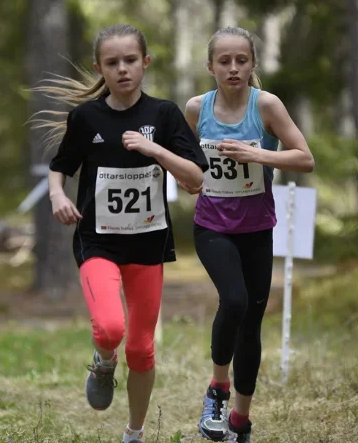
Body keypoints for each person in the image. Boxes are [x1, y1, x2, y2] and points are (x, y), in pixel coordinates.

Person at [32, 24, 208, 443]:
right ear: (100, 68)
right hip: (98, 242)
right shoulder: (87, 117)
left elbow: (196, 176)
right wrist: (58, 196)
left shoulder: (164, 115)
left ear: (145, 62)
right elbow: (61, 166)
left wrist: (156, 151)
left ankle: (134, 432)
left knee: (142, 349)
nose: (123, 69)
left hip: (148, 245)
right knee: (111, 329)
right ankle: (103, 359)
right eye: (112, 63)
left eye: (131, 60)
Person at [182, 27, 314, 443]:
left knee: (252, 322)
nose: (233, 68)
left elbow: (305, 159)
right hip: (212, 227)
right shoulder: (196, 108)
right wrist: (188, 178)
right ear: (210, 67)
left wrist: (259, 154)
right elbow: (189, 163)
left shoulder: (267, 106)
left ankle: (240, 421)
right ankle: (217, 391)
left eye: (241, 60)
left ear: (252, 64)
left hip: (257, 229)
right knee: (234, 301)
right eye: (224, 61)